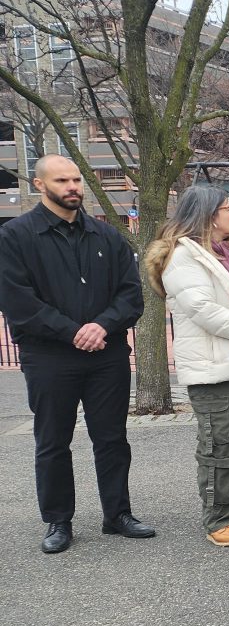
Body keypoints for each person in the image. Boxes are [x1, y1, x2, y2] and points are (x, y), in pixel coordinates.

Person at [0, 155, 153, 554]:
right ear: (39, 185)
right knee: (53, 441)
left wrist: (101, 326)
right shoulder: (15, 236)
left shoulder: (107, 236)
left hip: (107, 353)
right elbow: (19, 303)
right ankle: (58, 520)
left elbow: (130, 294)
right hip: (49, 357)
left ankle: (117, 514)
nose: (73, 187)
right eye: (63, 180)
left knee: (112, 438)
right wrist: (74, 333)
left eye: (77, 180)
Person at [146, 186, 229, 547]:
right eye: (228, 209)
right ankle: (219, 516)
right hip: (214, 368)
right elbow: (206, 312)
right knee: (222, 441)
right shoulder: (182, 257)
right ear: (208, 215)